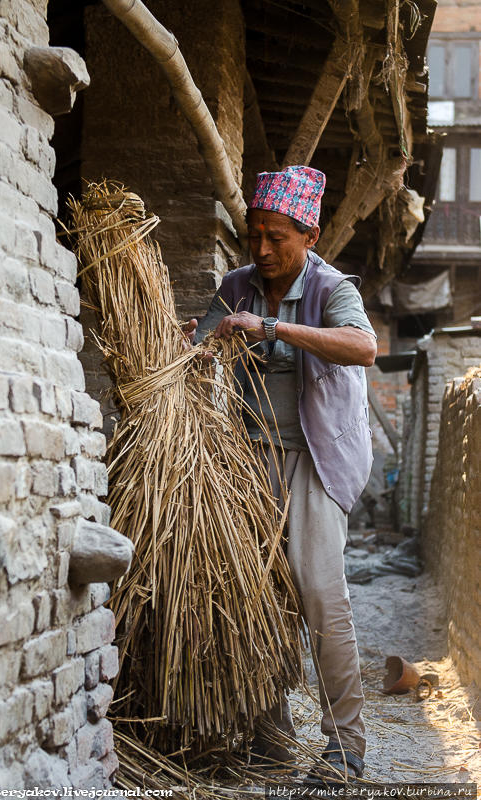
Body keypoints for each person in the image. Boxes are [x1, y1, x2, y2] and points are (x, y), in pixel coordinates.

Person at [184, 165, 377, 781]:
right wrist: (197, 347)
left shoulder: (331, 288)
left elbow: (363, 345)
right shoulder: (238, 284)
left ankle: (346, 746)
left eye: (278, 238)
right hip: (248, 460)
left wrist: (271, 328)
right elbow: (206, 341)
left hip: (317, 461)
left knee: (320, 594)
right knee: (257, 595)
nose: (263, 251)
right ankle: (269, 733)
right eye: (254, 237)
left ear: (310, 237)